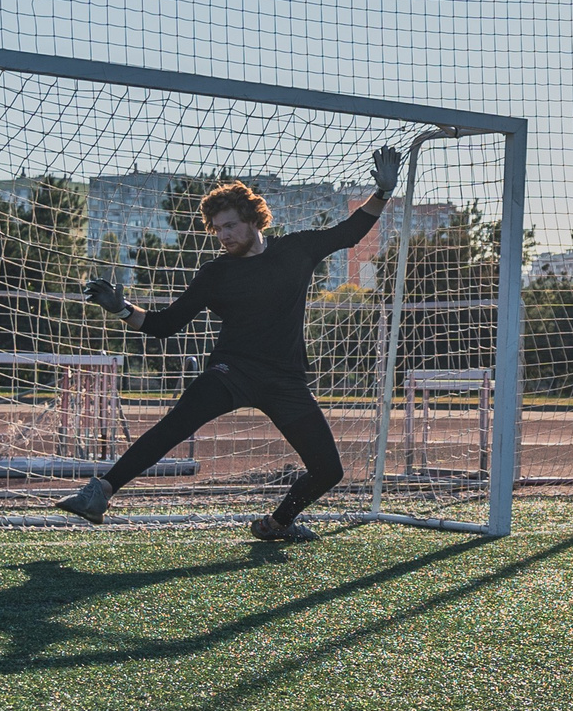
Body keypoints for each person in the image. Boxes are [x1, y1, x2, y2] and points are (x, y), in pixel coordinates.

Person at [58, 147, 404, 542]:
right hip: (230, 372)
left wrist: (382, 192)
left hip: (285, 380)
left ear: (254, 220)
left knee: (329, 471)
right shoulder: (215, 273)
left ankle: (277, 524)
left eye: (229, 226)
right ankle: (100, 492)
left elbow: (348, 233)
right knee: (175, 424)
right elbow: (166, 325)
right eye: (216, 229)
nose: (222, 236)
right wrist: (122, 309)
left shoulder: (296, 250)